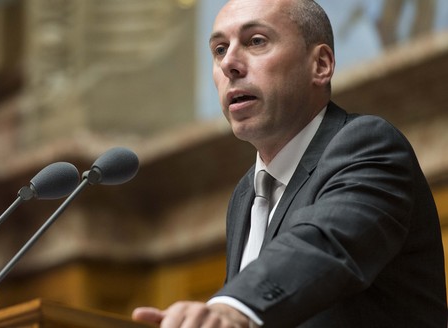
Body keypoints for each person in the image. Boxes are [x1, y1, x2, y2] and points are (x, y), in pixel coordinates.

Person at [132, 0, 447, 327]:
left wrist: (233, 306)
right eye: (220, 49)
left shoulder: (369, 145)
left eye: (256, 41)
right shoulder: (245, 196)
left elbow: (325, 242)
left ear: (321, 65)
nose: (229, 64)